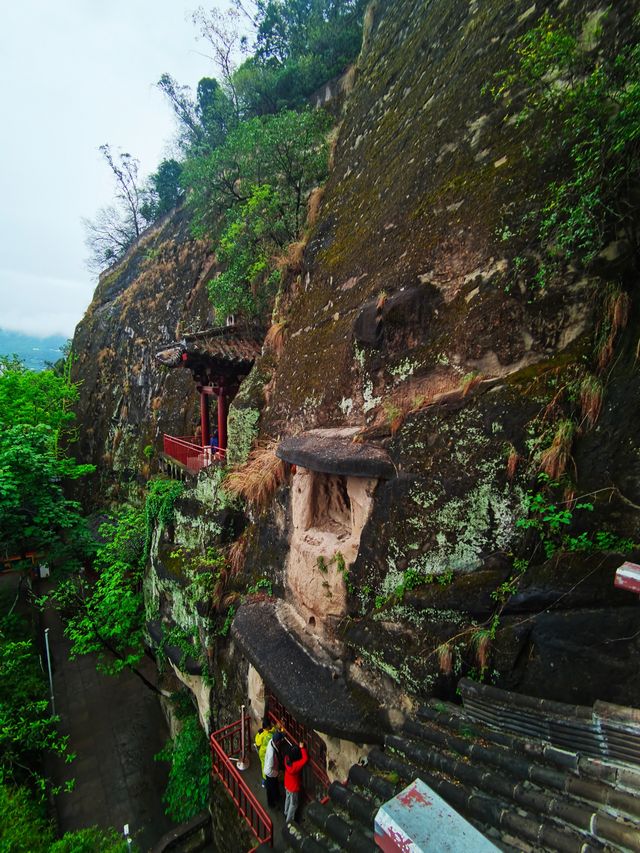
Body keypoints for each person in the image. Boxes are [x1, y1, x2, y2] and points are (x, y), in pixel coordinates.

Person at [283, 741, 308, 824]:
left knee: (288, 798)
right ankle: (289, 821)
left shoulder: (286, 759)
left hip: (287, 783)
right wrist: (302, 748)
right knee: (293, 804)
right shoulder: (295, 765)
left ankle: (285, 812)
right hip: (293, 787)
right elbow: (305, 759)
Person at [263, 730, 284, 808]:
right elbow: (268, 770)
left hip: (273, 771)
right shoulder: (272, 753)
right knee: (271, 789)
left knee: (275, 786)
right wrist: (277, 773)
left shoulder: (272, 741)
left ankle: (277, 797)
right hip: (270, 774)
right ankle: (271, 804)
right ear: (277, 742)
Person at [254, 717, 275, 786]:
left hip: (262, 753)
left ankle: (265, 781)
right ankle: (266, 780)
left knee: (263, 766)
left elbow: (257, 743)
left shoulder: (262, 734)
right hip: (267, 753)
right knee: (268, 766)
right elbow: (273, 731)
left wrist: (258, 734)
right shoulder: (270, 734)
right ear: (268, 726)